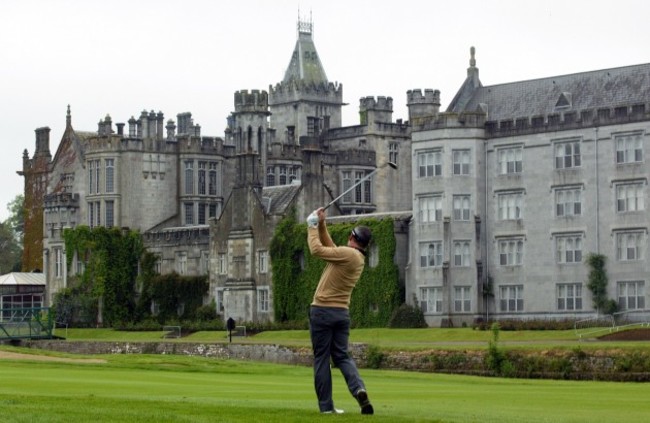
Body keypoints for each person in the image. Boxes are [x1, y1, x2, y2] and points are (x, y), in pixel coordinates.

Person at [306, 207, 374, 415]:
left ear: (352, 238)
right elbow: (331, 247)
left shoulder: (348, 254)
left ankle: (326, 407)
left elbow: (316, 249)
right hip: (341, 314)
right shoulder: (355, 257)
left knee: (321, 359)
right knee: (342, 357)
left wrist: (311, 226)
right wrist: (322, 224)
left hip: (322, 312)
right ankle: (358, 389)